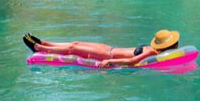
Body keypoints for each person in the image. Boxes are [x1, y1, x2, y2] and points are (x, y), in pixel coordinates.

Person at [23, 29, 180, 68]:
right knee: (76, 43)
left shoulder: (153, 52)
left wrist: (109, 62)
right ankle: (45, 43)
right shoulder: (153, 50)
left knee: (73, 48)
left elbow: (132, 61)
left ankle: (39, 48)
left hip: (108, 55)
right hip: (109, 49)